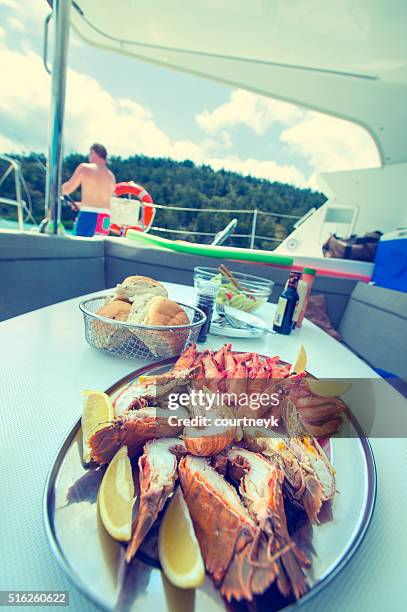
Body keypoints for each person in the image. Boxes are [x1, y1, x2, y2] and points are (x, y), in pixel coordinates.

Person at [62, 143, 116, 237]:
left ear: (93, 152)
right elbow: (102, 202)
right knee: (98, 248)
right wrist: (82, 204)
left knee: (80, 247)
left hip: (88, 215)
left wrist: (58, 188)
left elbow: (68, 188)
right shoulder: (111, 176)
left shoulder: (85, 168)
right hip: (106, 218)